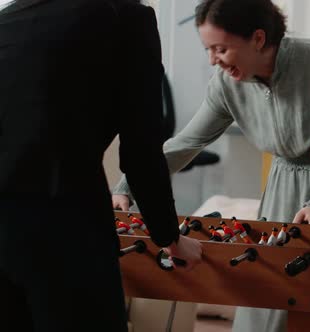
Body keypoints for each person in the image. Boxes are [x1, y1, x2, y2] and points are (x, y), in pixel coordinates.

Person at [111, 0, 310, 330]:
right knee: (264, 309)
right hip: (285, 187)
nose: (213, 60)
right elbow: (187, 143)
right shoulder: (226, 84)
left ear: (257, 38)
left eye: (221, 49)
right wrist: (129, 184)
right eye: (208, 50)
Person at [0, 0, 203, 331]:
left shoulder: (9, 16)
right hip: (64, 222)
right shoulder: (128, 18)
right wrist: (169, 237)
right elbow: (140, 149)